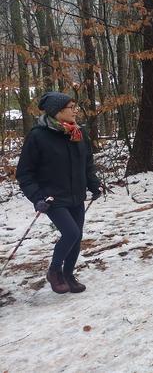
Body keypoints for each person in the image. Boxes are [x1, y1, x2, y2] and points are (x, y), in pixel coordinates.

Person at [16, 92, 102, 294]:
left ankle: (69, 275)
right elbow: (24, 173)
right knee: (70, 232)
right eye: (71, 107)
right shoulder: (38, 136)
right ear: (57, 111)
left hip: (76, 195)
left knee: (76, 236)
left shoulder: (78, 133)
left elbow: (87, 163)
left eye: (75, 107)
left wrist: (94, 184)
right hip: (52, 198)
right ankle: (54, 271)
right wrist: (37, 198)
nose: (75, 111)